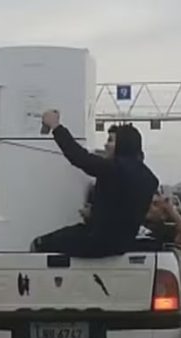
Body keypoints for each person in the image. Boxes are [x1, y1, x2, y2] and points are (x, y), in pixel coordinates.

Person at [30, 110, 159, 257]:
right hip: (121, 245)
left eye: (110, 140)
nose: (105, 145)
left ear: (122, 144)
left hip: (95, 241)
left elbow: (79, 157)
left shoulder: (114, 168)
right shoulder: (150, 179)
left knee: (40, 245)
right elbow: (122, 214)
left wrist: (55, 126)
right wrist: (95, 213)